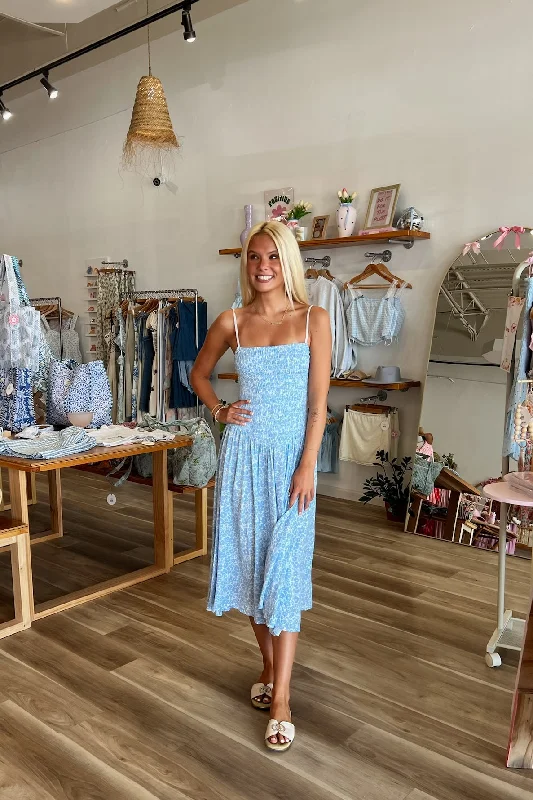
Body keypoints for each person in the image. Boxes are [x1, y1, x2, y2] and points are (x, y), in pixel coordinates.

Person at [191, 220, 331, 752]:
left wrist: (306, 466)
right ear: (245, 263)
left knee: (286, 575)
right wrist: (221, 409)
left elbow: (318, 408)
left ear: (288, 261)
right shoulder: (233, 320)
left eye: (273, 256)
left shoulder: (313, 319)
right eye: (254, 257)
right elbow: (199, 374)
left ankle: (282, 701)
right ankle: (270, 668)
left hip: (293, 464)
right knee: (253, 573)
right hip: (243, 461)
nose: (263, 266)